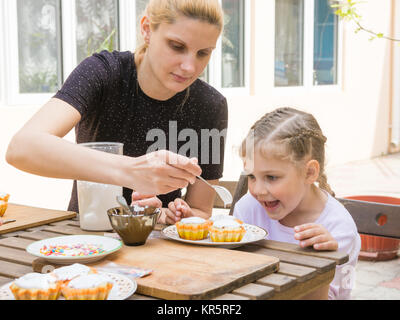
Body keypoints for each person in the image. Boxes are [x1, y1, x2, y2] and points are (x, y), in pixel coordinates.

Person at [6, 0, 228, 225]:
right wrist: (132, 171)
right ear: (146, 29)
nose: (190, 67)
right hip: (85, 239)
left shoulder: (210, 105)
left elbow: (200, 210)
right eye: (177, 46)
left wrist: (174, 216)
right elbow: (22, 147)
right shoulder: (103, 72)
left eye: (203, 53)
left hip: (157, 246)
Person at [233, 107, 361, 300]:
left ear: (309, 173)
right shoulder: (249, 209)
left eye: (271, 177)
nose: (258, 190)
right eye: (251, 176)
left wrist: (322, 262)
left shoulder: (337, 229)